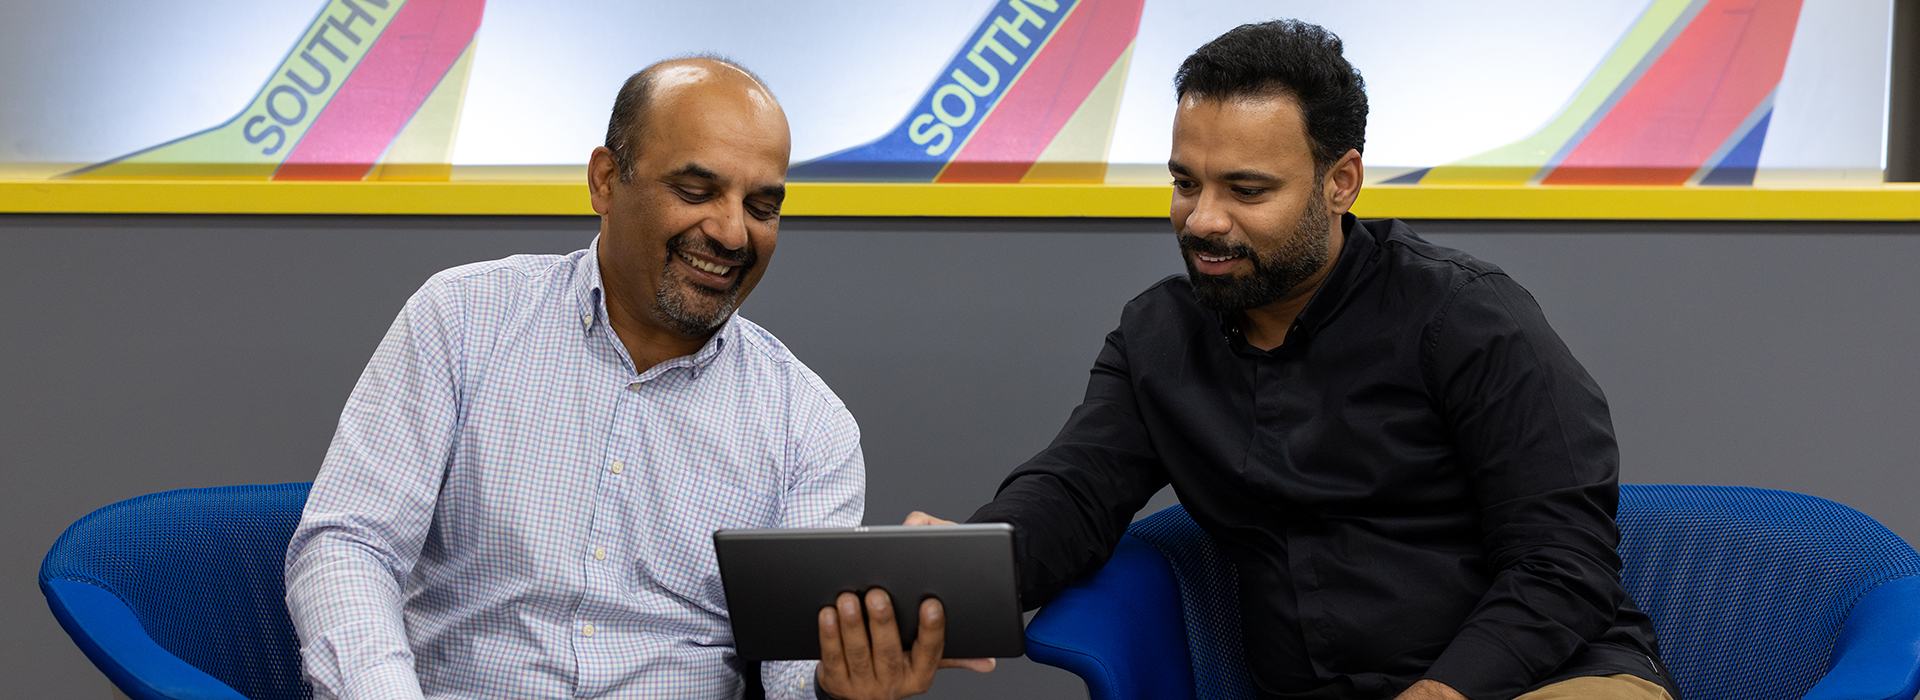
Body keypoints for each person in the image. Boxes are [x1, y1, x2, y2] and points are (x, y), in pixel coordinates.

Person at [912, 20, 1684, 700]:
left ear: (1340, 181)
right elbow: (1073, 493)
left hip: (1545, 681)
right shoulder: (1159, 334)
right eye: (1186, 183)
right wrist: (957, 580)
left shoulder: (1468, 318)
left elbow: (1563, 565)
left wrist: (1443, 692)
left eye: (1247, 190)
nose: (1203, 220)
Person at [284, 56, 908, 700]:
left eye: (761, 206)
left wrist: (839, 687)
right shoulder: (463, 320)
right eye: (696, 192)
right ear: (606, 181)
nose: (730, 232)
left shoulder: (810, 426)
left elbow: (794, 672)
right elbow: (348, 547)